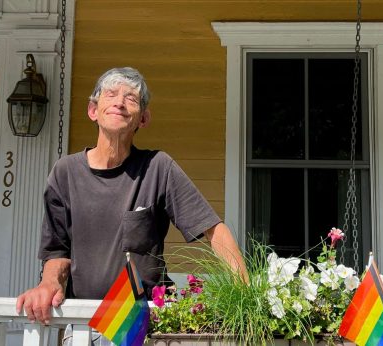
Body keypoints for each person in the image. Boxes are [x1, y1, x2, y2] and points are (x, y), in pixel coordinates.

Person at [16, 67, 247, 338]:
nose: (119, 102)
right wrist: (48, 283)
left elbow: (214, 230)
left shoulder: (158, 167)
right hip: (84, 324)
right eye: (111, 94)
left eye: (131, 98)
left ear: (143, 119)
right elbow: (57, 252)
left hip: (146, 324)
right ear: (93, 111)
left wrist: (246, 294)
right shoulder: (65, 173)